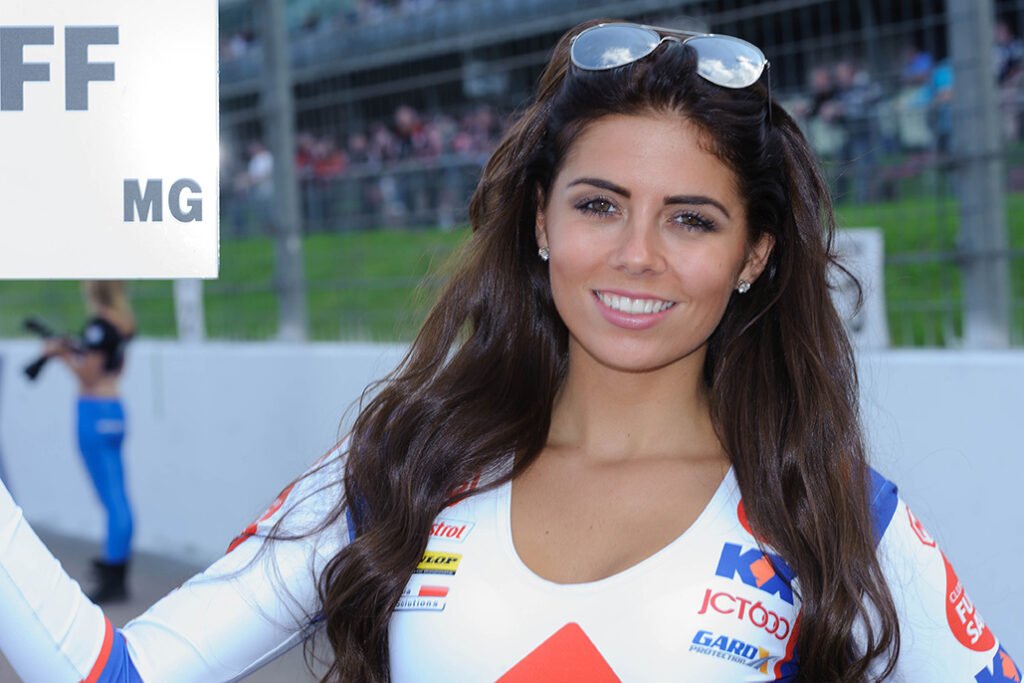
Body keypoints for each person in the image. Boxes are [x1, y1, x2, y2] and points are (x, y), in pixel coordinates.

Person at [0, 19, 1018, 682]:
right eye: (598, 204)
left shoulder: (830, 508)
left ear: (753, 254)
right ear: (539, 220)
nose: (636, 254)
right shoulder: (405, 469)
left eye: (692, 220)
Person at [34, 280, 136, 604]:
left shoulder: (99, 326)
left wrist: (62, 354)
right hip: (116, 409)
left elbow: (88, 375)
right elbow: (111, 367)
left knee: (112, 501)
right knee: (117, 496)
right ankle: (115, 568)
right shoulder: (123, 325)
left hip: (93, 411)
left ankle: (113, 573)